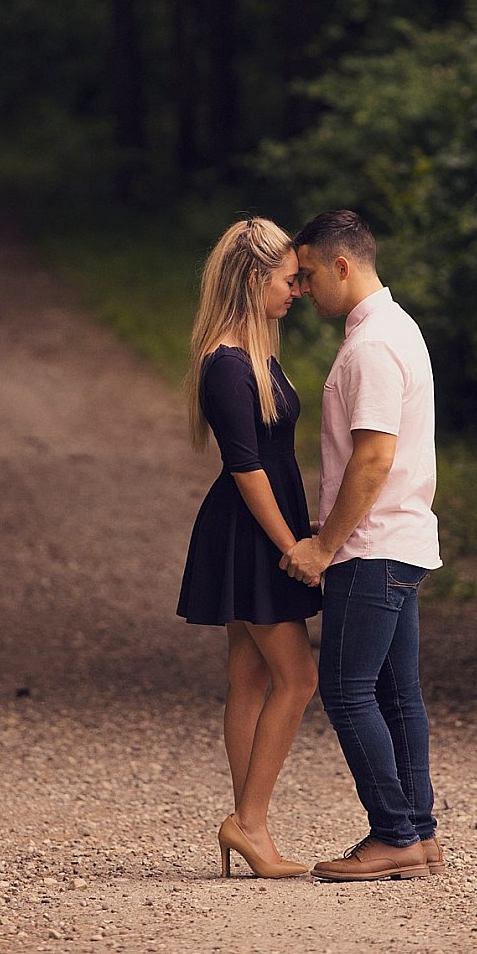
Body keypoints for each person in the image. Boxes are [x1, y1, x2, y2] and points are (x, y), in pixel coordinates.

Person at [282, 208, 444, 883]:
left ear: (343, 265)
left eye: (310, 273)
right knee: (396, 692)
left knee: (349, 693)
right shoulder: (396, 328)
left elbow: (373, 459)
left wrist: (323, 545)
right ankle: (421, 834)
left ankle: (393, 833)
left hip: (371, 546)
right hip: (400, 542)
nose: (302, 290)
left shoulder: (374, 344)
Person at [176, 217, 322, 880]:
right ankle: (250, 823)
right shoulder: (227, 363)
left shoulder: (255, 352)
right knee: (300, 677)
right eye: (289, 279)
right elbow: (246, 466)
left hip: (258, 525)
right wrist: (292, 543)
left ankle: (247, 825)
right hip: (253, 530)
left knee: (251, 676)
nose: (297, 290)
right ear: (255, 277)